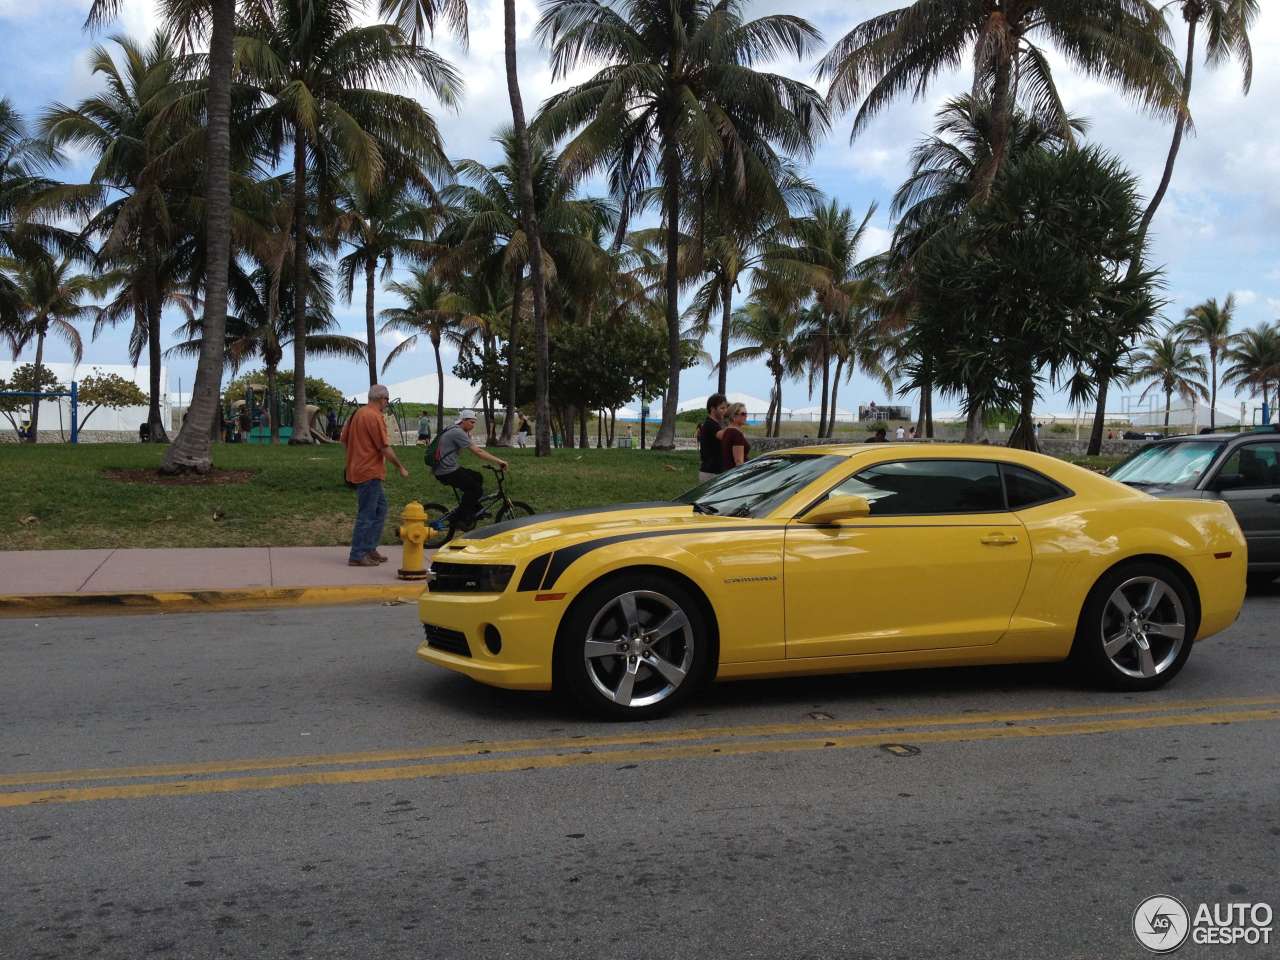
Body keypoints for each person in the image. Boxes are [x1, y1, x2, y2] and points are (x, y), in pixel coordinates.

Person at [341, 384, 409, 568]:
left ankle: (369, 548)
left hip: (358, 469)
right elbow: (384, 447)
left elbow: (343, 439)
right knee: (367, 514)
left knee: (380, 509)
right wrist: (400, 467)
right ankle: (357, 554)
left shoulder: (357, 414)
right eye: (387, 400)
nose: (387, 403)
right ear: (382, 399)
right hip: (369, 472)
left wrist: (355, 456)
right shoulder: (374, 416)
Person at [432, 409, 509, 527]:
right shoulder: (458, 432)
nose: (473, 425)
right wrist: (499, 461)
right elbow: (478, 452)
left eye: (474, 423)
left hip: (447, 468)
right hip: (446, 471)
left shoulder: (454, 428)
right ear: (463, 421)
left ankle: (472, 508)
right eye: (471, 422)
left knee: (477, 477)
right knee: (476, 490)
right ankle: (460, 518)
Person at [697, 393, 729, 482]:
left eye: (726, 408)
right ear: (712, 409)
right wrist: (733, 422)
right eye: (722, 408)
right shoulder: (710, 424)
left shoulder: (715, 424)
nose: (725, 411)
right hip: (711, 473)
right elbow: (725, 436)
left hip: (715, 472)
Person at [719, 403, 751, 469]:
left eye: (746, 414)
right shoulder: (736, 434)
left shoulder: (727, 431)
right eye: (743, 414)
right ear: (733, 416)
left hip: (728, 472)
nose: (746, 416)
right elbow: (739, 462)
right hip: (736, 474)